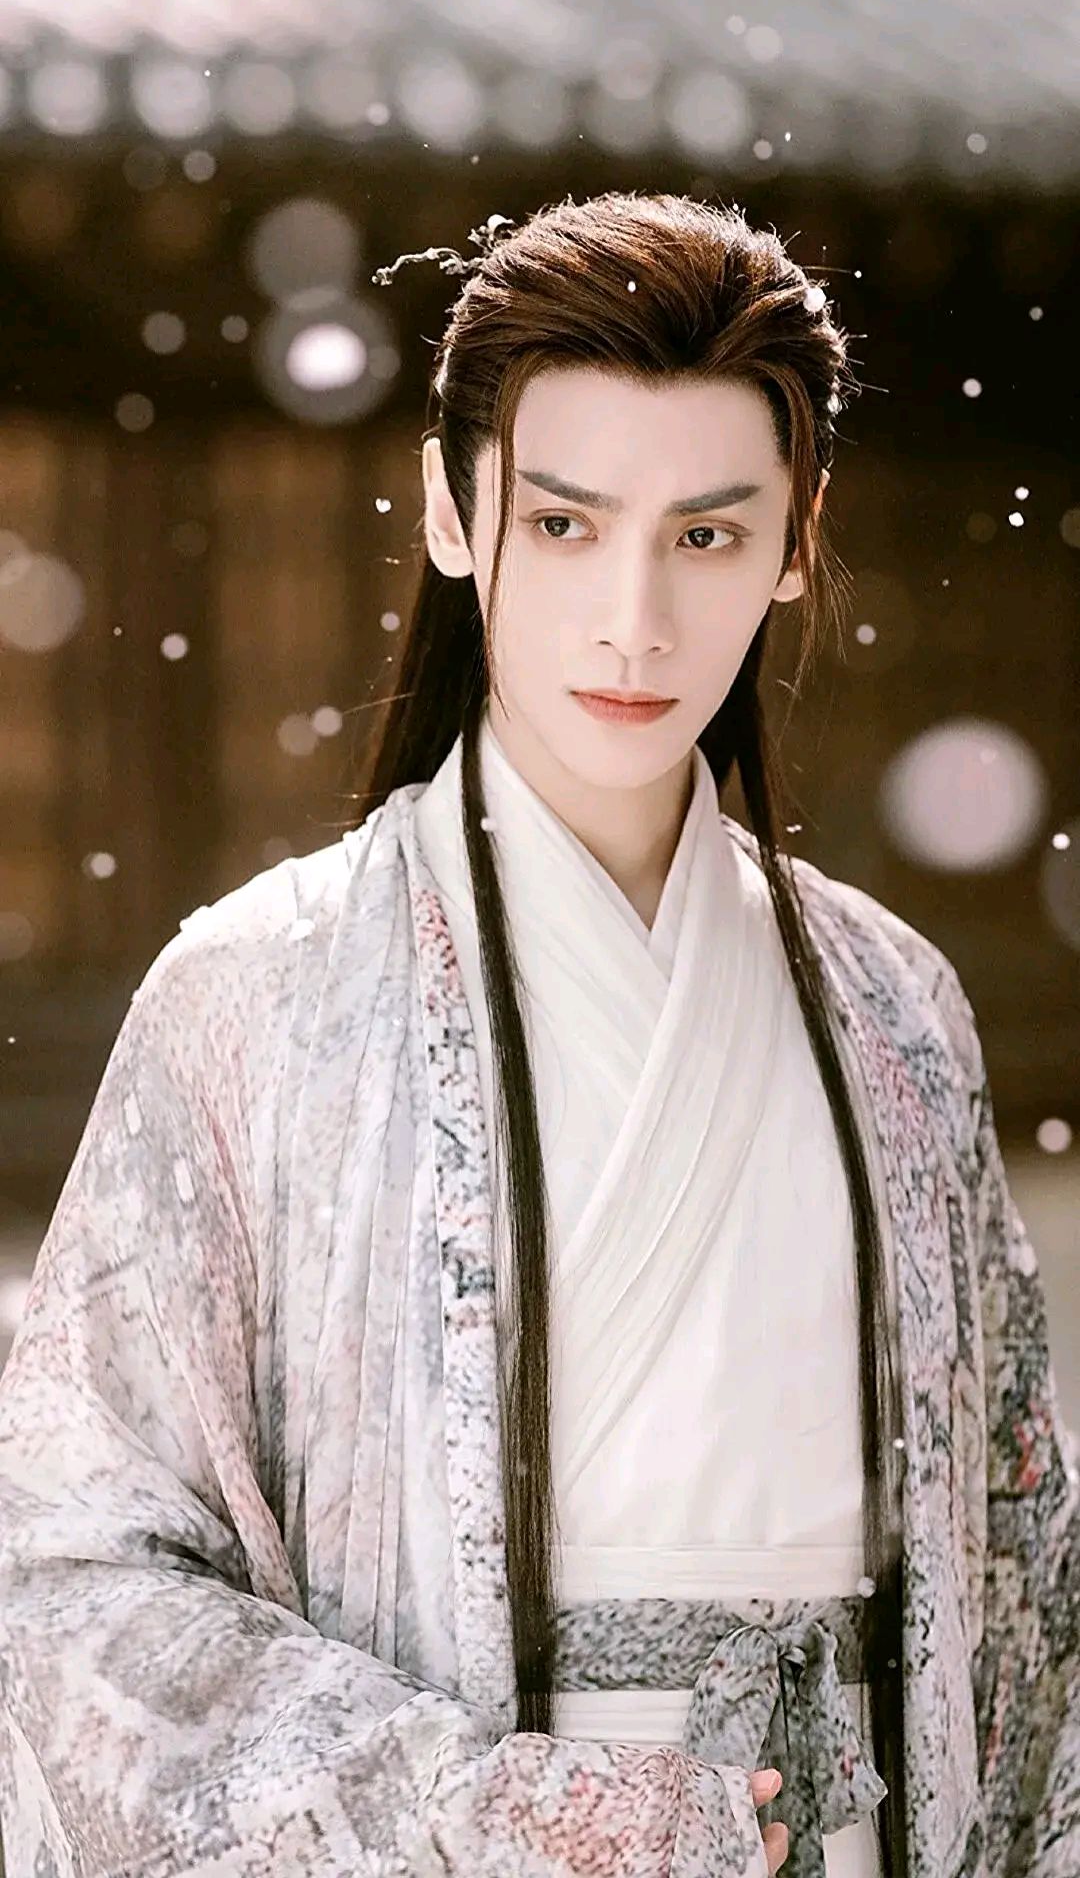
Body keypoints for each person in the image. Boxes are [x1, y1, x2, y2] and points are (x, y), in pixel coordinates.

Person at [0, 193, 1075, 1878]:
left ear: (798, 540)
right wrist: (489, 1811)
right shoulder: (258, 994)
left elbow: (1019, 1585)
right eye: (565, 524)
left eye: (707, 535)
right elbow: (75, 1574)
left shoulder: (895, 1008)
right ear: (450, 510)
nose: (635, 618)